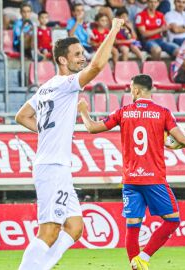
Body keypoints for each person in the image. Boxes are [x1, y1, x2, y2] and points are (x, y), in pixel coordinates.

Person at [15, 18, 125, 270]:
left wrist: (46, 133)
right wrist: (114, 30)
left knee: (75, 227)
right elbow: (98, 66)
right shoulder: (66, 84)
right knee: (50, 230)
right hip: (52, 168)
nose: (82, 58)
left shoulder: (45, 87)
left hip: (57, 167)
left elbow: (22, 116)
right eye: (77, 54)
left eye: (83, 53)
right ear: (62, 60)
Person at [77, 74, 185, 270]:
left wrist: (84, 112)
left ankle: (135, 264)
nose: (130, 91)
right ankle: (144, 257)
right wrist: (169, 143)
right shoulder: (163, 112)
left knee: (133, 223)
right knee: (172, 220)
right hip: (154, 178)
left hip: (131, 179)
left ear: (136, 90)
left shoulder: (124, 112)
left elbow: (92, 128)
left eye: (130, 88)